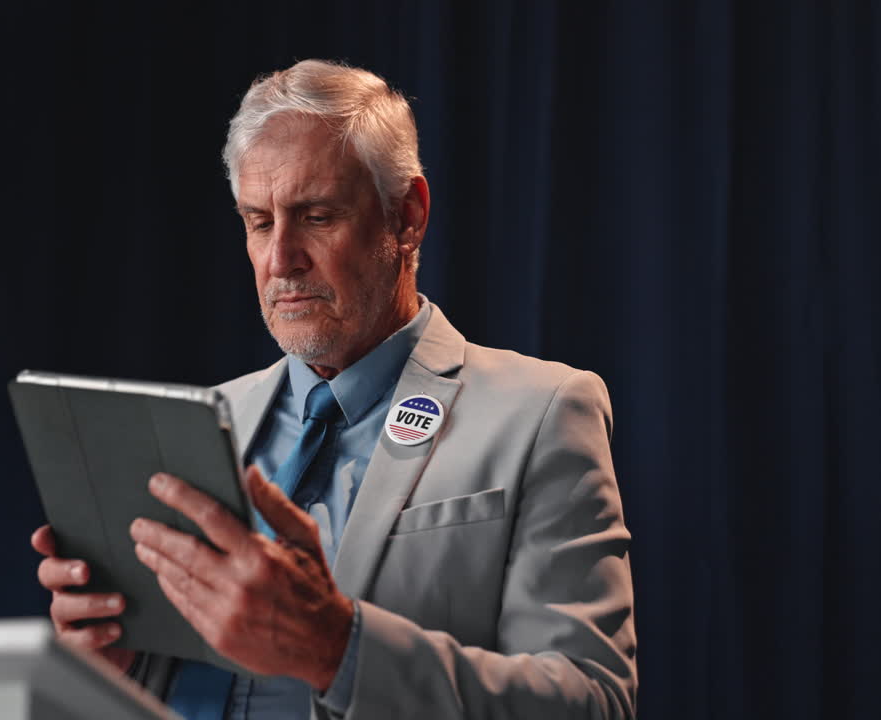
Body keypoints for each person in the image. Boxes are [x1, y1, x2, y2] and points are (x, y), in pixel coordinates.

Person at [32, 59, 637, 719]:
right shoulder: (202, 421)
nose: (280, 260)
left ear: (407, 217)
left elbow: (595, 701)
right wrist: (120, 662)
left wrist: (338, 650)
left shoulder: (541, 412)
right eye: (260, 222)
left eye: (316, 216)